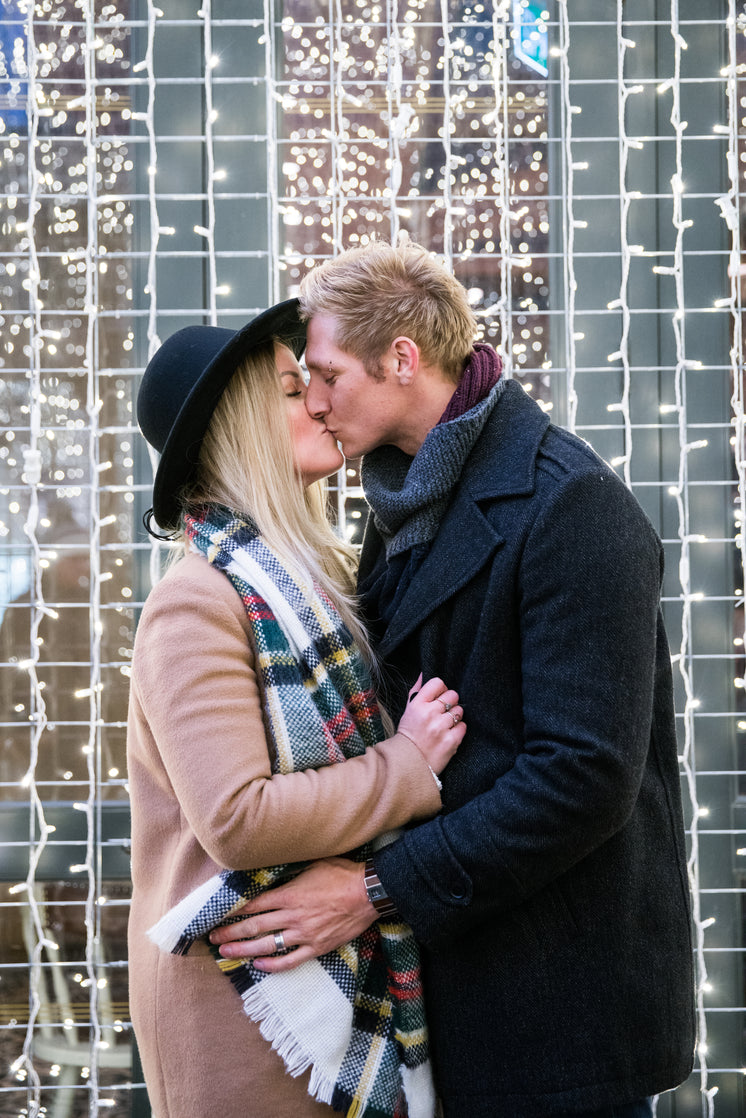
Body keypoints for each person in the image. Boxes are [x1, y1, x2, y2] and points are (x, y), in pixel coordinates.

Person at [208, 243, 697, 1118]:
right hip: (462, 985)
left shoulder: (570, 504)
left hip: (555, 1007)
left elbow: (581, 778)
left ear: (402, 358)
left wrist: (373, 892)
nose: (312, 400)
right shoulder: (403, 502)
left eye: (325, 374)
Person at [127, 299, 467, 1118]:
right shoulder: (197, 603)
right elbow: (237, 818)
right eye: (288, 391)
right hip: (250, 1002)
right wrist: (407, 766)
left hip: (315, 972)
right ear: (238, 428)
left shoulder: (310, 585)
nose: (316, 401)